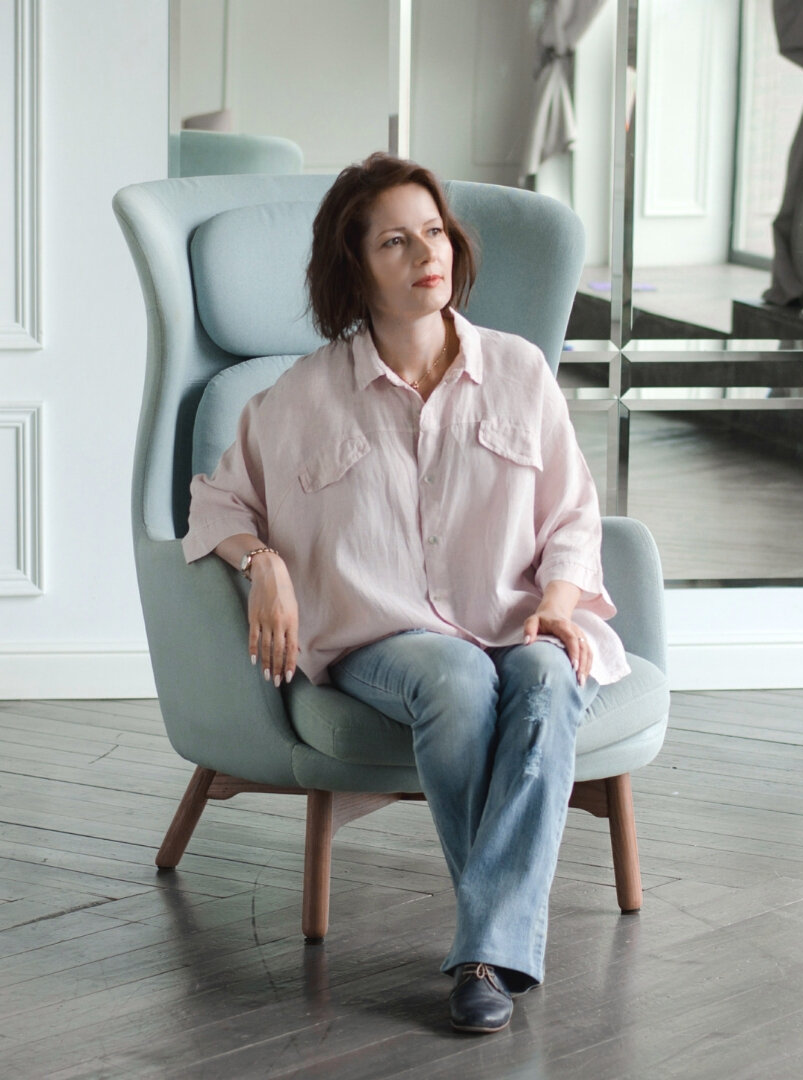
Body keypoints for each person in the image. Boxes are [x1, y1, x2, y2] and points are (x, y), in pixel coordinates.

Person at [181, 152, 630, 1034]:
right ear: (355, 267)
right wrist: (264, 565)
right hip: (383, 639)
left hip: (516, 618)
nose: (427, 254)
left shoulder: (520, 372)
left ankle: (484, 953)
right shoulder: (299, 397)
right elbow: (215, 503)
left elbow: (575, 516)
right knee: (456, 677)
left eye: (434, 232)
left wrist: (558, 603)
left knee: (547, 678)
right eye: (395, 241)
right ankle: (496, 945)